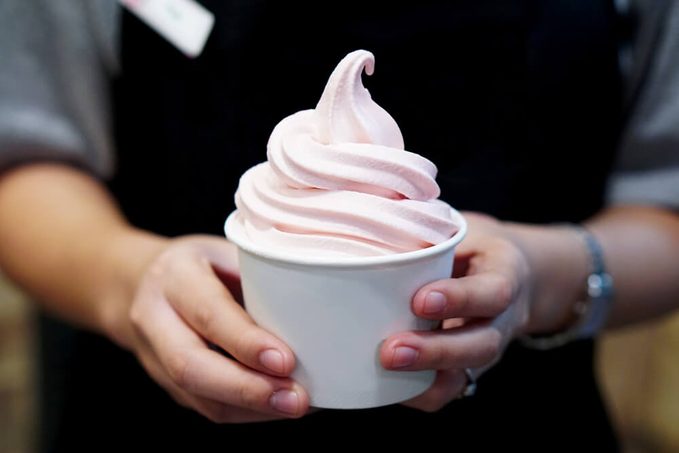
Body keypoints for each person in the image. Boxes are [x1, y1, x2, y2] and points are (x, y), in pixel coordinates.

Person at [1, 0, 678, 451]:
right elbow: (22, 161)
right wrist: (125, 278)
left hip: (524, 414)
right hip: (142, 411)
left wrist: (544, 273)